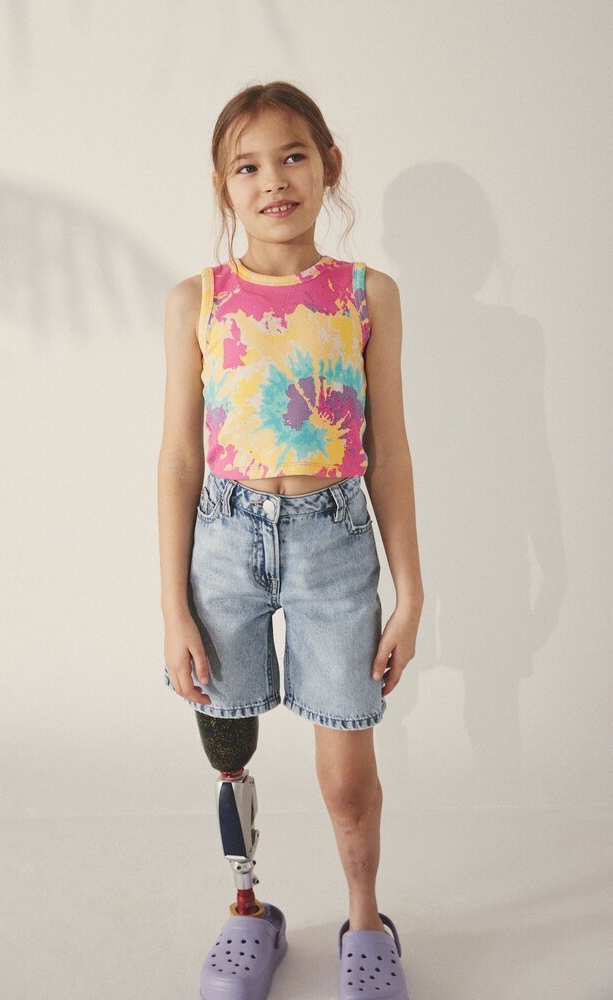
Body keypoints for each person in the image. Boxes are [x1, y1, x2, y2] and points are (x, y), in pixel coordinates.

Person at [158, 80, 423, 1000]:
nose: (273, 179)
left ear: (329, 166)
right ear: (224, 187)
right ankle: (248, 907)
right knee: (226, 745)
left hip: (333, 544)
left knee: (346, 761)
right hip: (224, 544)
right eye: (248, 166)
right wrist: (173, 606)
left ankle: (365, 921)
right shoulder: (197, 300)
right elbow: (178, 460)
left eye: (293, 156)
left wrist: (412, 593)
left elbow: (389, 452)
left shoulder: (366, 294)